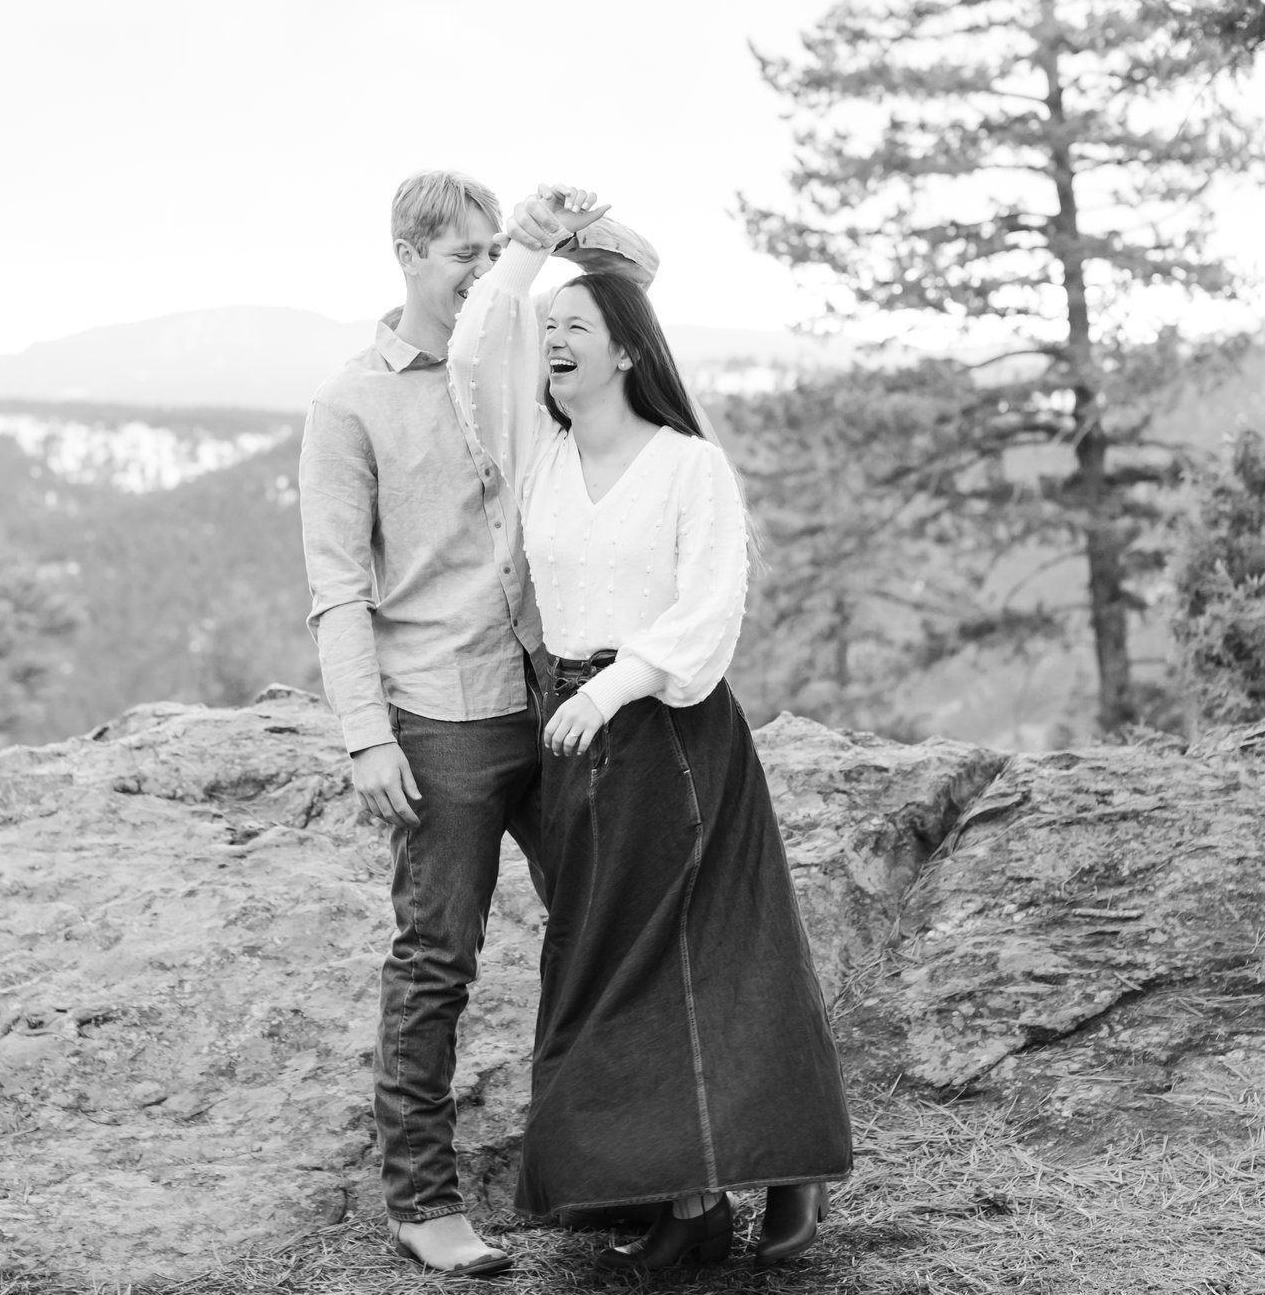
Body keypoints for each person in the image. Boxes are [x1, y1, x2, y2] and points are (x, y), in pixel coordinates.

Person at [444, 186, 853, 1271]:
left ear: (628, 351)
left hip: (666, 736)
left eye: (577, 331)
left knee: (698, 962)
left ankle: (706, 1201)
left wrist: (610, 688)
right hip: (572, 742)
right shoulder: (539, 452)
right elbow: (484, 337)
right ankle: (686, 1179)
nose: (553, 348)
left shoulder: (687, 466)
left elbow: (706, 611)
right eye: (551, 337)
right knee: (600, 964)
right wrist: (533, 249)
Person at [298, 171, 654, 1276]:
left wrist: (567, 225)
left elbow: (632, 276)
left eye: (496, 251)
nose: (484, 270)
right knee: (434, 963)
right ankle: (421, 1201)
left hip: (550, 698)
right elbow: (335, 587)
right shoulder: (348, 402)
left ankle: (613, 1175)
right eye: (465, 253)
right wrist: (364, 734)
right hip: (436, 718)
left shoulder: (511, 344)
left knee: (600, 933)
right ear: (408, 255)